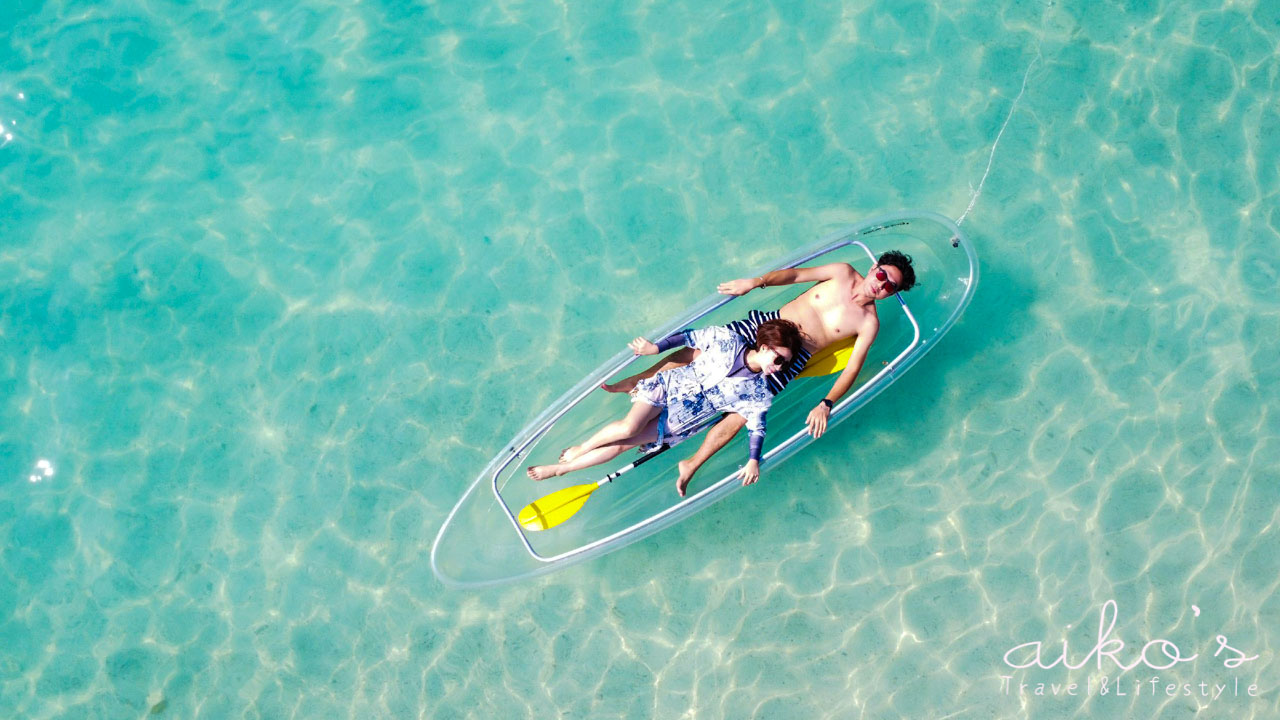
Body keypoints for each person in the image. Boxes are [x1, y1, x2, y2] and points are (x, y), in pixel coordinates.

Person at [602, 250, 917, 495]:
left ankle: (691, 464)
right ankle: (640, 380)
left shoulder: (868, 323)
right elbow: (796, 275)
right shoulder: (843, 272)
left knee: (740, 416)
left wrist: (827, 403)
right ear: (875, 266)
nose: (882, 284)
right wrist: (755, 282)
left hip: (790, 359)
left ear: (891, 294)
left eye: (891, 286)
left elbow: (853, 367)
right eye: (882, 275)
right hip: (768, 324)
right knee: (697, 352)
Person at [527, 319, 804, 489]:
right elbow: (689, 336)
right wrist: (655, 348)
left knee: (627, 443)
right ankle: (581, 448)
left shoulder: (758, 392)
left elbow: (757, 428)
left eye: (785, 363)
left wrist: (754, 460)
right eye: (778, 359)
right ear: (765, 347)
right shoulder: (727, 340)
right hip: (667, 387)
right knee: (628, 427)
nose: (779, 368)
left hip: (682, 420)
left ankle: (561, 469)